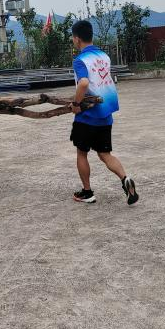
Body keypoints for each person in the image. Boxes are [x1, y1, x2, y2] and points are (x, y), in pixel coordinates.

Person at [69, 20, 139, 205]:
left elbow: (84, 83)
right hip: (105, 115)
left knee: (82, 153)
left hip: (87, 115)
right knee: (105, 154)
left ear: (77, 39)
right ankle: (125, 179)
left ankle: (87, 192)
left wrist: (76, 104)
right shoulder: (104, 56)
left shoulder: (80, 60)